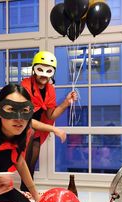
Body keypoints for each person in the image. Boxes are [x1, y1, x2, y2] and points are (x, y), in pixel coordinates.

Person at [20, 50, 78, 192]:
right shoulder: (25, 85)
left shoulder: (50, 89)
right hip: (23, 127)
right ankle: (26, 190)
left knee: (32, 161)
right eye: (40, 69)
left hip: (38, 130)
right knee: (24, 158)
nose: (44, 74)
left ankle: (26, 190)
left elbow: (51, 115)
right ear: (34, 69)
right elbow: (26, 119)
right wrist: (54, 129)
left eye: (48, 71)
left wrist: (66, 102)